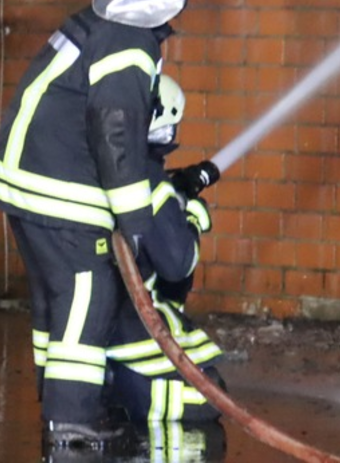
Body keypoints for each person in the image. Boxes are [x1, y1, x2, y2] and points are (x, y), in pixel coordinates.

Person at [0, 0, 206, 449]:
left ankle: (61, 409)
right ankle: (72, 421)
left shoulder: (99, 22)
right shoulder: (128, 41)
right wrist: (136, 218)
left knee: (57, 303)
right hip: (62, 191)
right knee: (89, 297)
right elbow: (116, 131)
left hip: (28, 183)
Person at [106, 73, 226, 425]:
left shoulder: (108, 165)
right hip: (130, 329)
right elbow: (176, 264)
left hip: (94, 327)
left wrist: (178, 189)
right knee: (211, 398)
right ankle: (120, 398)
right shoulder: (151, 182)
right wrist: (191, 219)